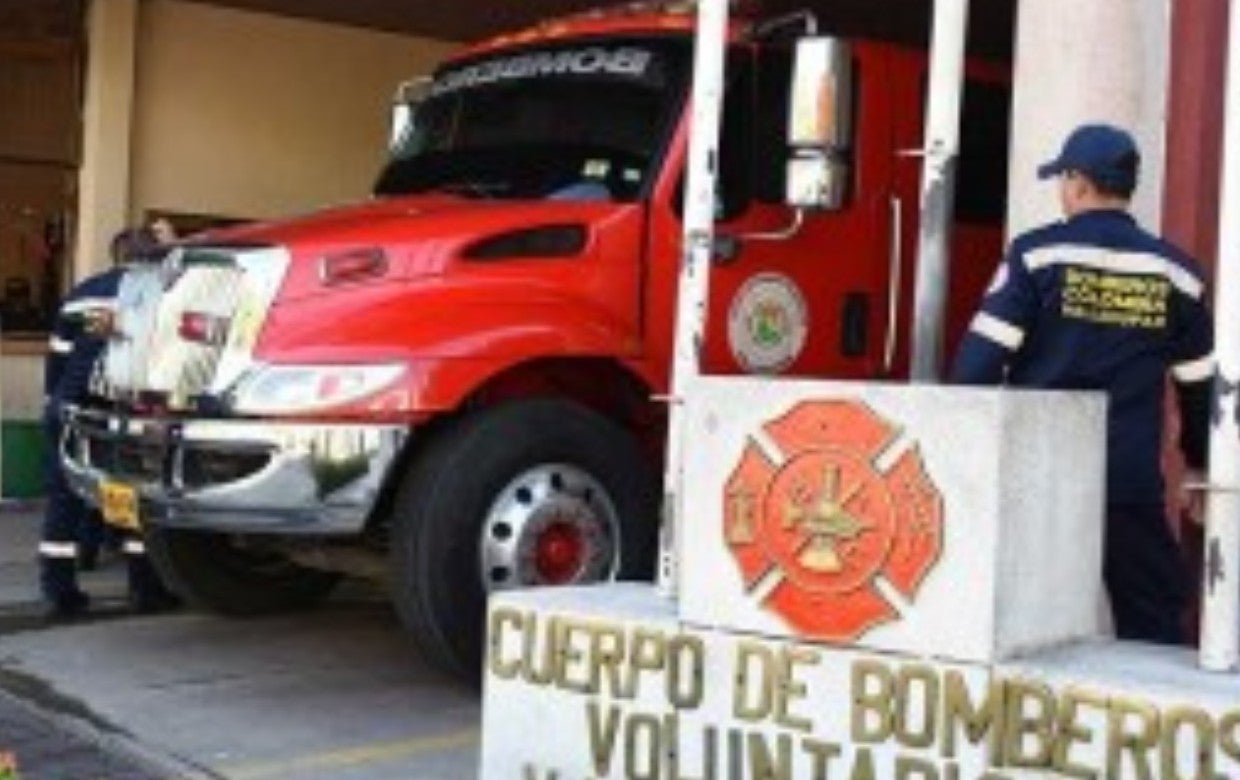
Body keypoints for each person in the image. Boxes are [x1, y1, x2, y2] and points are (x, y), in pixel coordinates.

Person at [950, 123, 1213, 645]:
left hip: (1038, 479)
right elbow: (1201, 386)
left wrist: (967, 458)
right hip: (1129, 480)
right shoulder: (1178, 274)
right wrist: (1199, 464)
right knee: (1154, 626)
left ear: (1077, 182)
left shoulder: (1034, 257)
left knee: (1023, 628)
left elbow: (976, 370)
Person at [39, 227, 180, 618]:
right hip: (122, 411)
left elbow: (57, 356)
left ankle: (60, 591)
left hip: (69, 405)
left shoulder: (80, 294)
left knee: (65, 496)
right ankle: (146, 589)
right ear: (153, 257)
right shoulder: (156, 296)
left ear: (115, 255)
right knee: (130, 497)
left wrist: (54, 403)